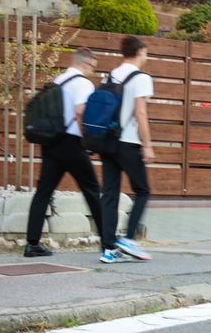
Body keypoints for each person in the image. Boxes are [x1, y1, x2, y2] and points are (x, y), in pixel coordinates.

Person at [24, 49, 103, 257]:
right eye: (93, 67)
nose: (93, 71)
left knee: (44, 191)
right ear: (86, 63)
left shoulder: (59, 79)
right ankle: (109, 242)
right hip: (71, 142)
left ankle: (32, 244)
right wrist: (87, 140)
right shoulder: (83, 83)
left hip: (51, 141)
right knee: (92, 189)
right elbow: (80, 111)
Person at [99, 36, 154, 264]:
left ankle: (108, 248)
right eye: (146, 52)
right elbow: (140, 113)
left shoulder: (112, 74)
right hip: (128, 141)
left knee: (110, 194)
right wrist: (148, 145)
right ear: (140, 51)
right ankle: (128, 238)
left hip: (108, 141)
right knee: (142, 190)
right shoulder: (141, 78)